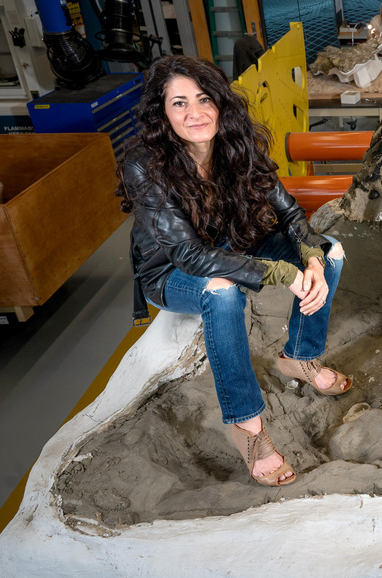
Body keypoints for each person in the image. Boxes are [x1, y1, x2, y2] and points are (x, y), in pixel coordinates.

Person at [116, 55, 352, 487]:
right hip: (169, 269)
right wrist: (284, 275)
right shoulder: (143, 164)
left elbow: (289, 212)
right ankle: (248, 427)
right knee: (222, 291)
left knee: (332, 251)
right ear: (162, 114)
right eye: (179, 103)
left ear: (220, 103)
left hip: (234, 244)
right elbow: (188, 254)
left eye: (204, 99)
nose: (195, 113)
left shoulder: (236, 143)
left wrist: (311, 259)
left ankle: (299, 357)